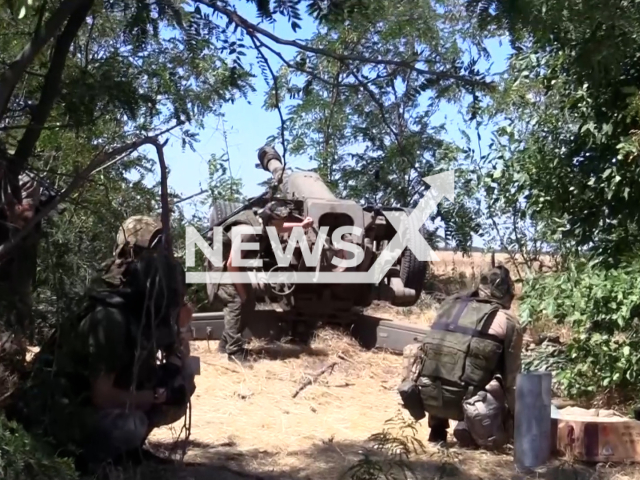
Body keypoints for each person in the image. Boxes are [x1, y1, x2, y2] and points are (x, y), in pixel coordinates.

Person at [12, 216, 196, 470]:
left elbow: (179, 355)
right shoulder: (111, 312)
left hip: (113, 394)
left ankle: (128, 453)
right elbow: (102, 395)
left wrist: (180, 327)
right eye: (153, 252)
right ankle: (86, 462)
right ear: (133, 255)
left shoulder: (146, 299)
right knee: (131, 424)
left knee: (184, 378)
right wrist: (156, 396)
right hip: (68, 407)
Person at [398, 265, 523, 450]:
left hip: (427, 394)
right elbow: (512, 378)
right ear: (505, 292)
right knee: (496, 376)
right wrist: (517, 419)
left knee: (444, 361)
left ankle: (437, 430)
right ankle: (467, 426)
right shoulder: (506, 320)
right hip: (470, 405)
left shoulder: (449, 304)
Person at [206, 198, 313, 364]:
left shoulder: (263, 220)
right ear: (271, 219)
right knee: (237, 301)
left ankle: (225, 344)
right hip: (222, 270)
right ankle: (234, 352)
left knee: (248, 302)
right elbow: (231, 264)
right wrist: (242, 293)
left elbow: (278, 227)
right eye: (281, 221)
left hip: (234, 266)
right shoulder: (247, 232)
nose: (284, 225)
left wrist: (301, 225)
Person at [0, 171, 45, 352]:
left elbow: (23, 218)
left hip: (15, 258)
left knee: (15, 307)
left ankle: (13, 351)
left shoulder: (23, 178)